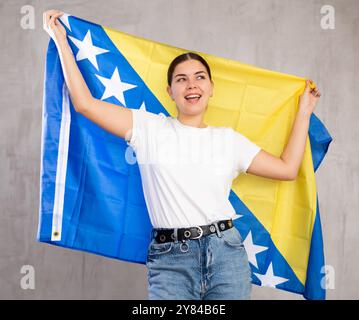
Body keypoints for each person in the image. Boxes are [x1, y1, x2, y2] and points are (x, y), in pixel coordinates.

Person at [43, 10, 321, 300]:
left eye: (200, 78)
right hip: (170, 260)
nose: (192, 85)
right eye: (182, 80)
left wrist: (303, 112)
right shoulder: (148, 128)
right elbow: (85, 104)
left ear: (211, 89)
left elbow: (288, 168)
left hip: (226, 255)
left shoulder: (228, 140)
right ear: (170, 91)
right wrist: (62, 40)